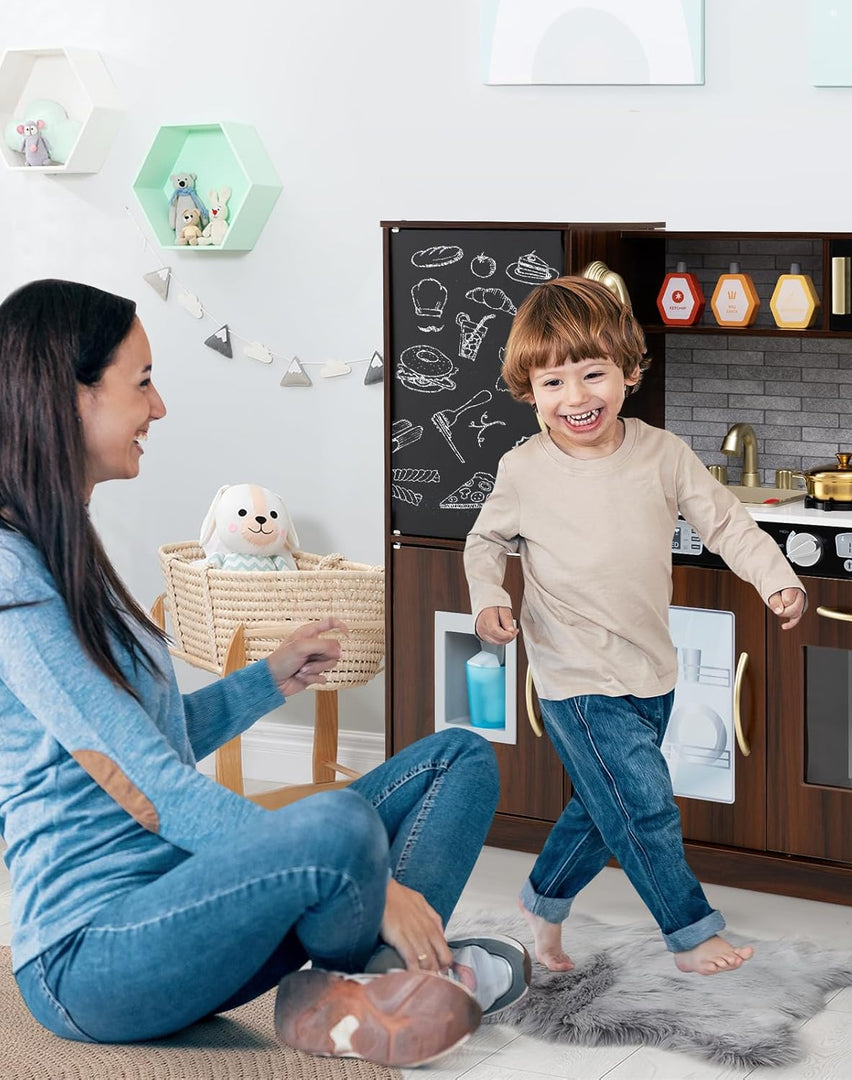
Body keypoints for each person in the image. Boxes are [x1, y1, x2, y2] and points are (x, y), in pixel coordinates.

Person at [0, 279, 529, 1069]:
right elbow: (148, 785)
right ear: (67, 395)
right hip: (90, 956)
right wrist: (378, 889)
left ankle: (370, 987)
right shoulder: (13, 576)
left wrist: (268, 680)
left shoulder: (67, 545)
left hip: (190, 899)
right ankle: (402, 973)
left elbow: (156, 737)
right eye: (141, 382)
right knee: (334, 829)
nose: (160, 407)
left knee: (460, 757)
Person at [464, 276, 806, 977]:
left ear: (628, 372)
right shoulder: (523, 469)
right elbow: (484, 543)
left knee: (604, 804)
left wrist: (776, 577)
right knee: (645, 806)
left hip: (651, 668)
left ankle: (541, 904)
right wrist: (485, 597)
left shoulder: (663, 454)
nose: (577, 397)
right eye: (554, 382)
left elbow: (726, 522)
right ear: (530, 391)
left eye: (594, 374)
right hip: (573, 673)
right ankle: (690, 931)